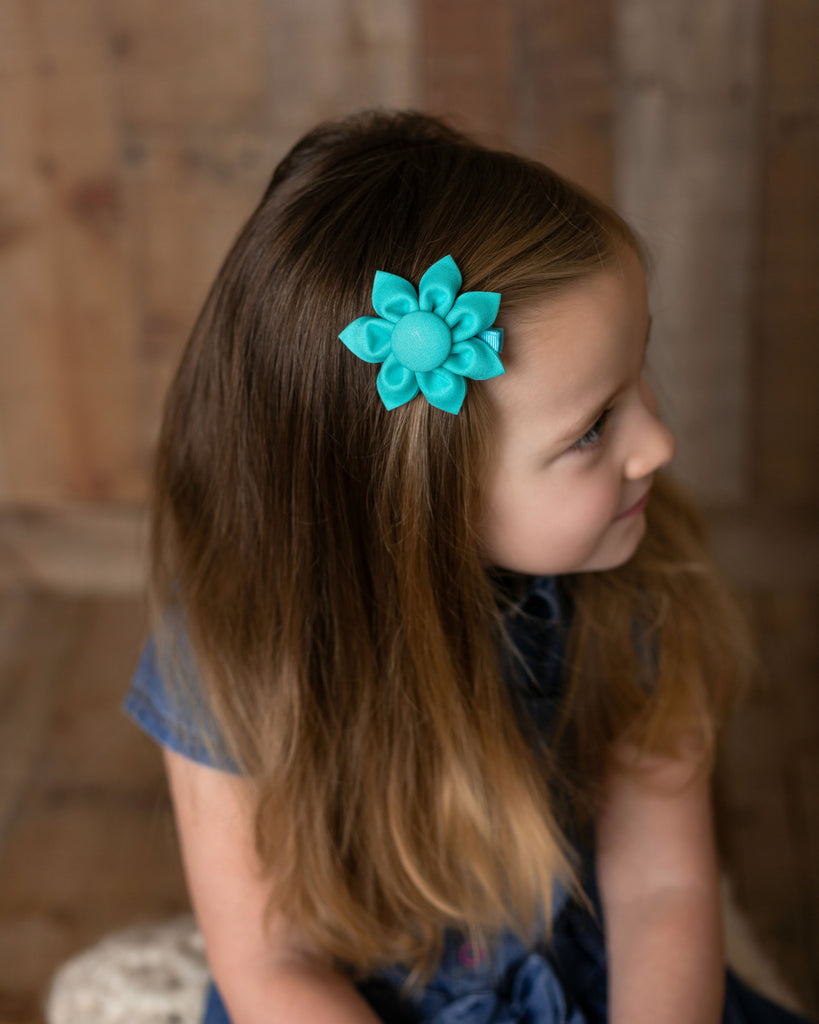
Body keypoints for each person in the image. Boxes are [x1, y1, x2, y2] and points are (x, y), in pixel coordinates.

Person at [123, 110, 813, 1024]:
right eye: (592, 430)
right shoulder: (227, 652)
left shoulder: (640, 580)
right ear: (417, 504)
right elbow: (272, 964)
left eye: (636, 369)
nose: (658, 441)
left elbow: (661, 894)